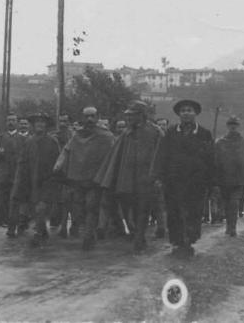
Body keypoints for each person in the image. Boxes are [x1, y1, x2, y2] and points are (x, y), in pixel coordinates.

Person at [96, 100, 163, 253]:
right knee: (129, 206)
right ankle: (135, 232)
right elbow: (116, 156)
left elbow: (162, 154)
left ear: (142, 115)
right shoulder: (127, 133)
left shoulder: (155, 132)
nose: (129, 118)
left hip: (147, 178)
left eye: (133, 115)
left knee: (143, 208)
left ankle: (139, 237)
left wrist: (158, 176)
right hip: (127, 178)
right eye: (128, 116)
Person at [152, 99, 214, 257]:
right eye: (183, 111)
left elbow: (211, 158)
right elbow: (161, 156)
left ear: (195, 113)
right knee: (174, 211)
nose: (186, 113)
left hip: (196, 181)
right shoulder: (171, 133)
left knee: (193, 212)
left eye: (189, 110)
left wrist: (211, 181)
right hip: (174, 180)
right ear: (179, 114)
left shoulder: (204, 134)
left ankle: (189, 240)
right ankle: (178, 241)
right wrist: (159, 176)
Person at [54, 107, 115, 250]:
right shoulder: (77, 135)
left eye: (93, 116)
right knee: (79, 207)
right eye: (87, 116)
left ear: (97, 117)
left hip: (96, 178)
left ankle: (88, 236)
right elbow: (67, 150)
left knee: (91, 205)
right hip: (79, 178)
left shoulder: (106, 136)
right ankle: (88, 231)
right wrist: (58, 164)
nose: (89, 120)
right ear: (82, 118)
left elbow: (113, 153)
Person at [11, 112, 60, 247]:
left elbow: (58, 164)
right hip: (31, 181)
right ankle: (42, 231)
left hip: (47, 181)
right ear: (33, 125)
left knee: (41, 208)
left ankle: (38, 234)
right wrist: (20, 183)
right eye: (37, 122)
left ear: (46, 125)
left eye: (42, 122)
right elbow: (22, 163)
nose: (39, 124)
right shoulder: (29, 142)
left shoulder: (52, 142)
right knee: (34, 209)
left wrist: (54, 182)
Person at [215, 116, 244, 235]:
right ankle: (229, 225)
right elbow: (215, 160)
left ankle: (233, 228)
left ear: (237, 126)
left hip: (238, 179)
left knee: (234, 202)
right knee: (226, 203)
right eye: (231, 124)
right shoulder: (220, 143)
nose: (233, 127)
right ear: (227, 126)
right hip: (224, 179)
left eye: (235, 125)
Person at [0, 112, 23, 227]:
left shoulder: (22, 139)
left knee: (15, 198)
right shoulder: (0, 138)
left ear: (17, 122)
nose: (11, 122)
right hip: (3, 173)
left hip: (16, 173)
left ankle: (13, 221)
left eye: (13, 120)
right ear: (6, 122)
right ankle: (1, 220)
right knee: (2, 198)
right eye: (9, 120)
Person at [49, 113, 74, 230]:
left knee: (69, 199)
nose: (63, 124)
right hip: (57, 171)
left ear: (69, 123)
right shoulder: (54, 136)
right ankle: (55, 221)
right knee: (56, 197)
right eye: (61, 121)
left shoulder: (74, 136)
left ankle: (70, 224)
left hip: (70, 170)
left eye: (65, 121)